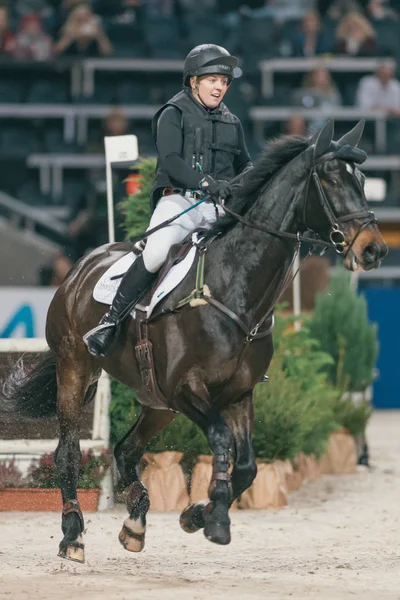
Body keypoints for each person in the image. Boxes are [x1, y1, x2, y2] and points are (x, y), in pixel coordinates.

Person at [83, 43, 253, 357]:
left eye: (224, 82)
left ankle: (246, 342)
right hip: (179, 204)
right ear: (194, 81)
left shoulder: (233, 122)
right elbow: (171, 161)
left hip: (217, 209)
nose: (220, 87)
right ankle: (110, 321)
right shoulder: (172, 113)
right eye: (213, 79)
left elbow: (245, 163)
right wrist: (206, 182)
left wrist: (250, 178)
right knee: (157, 251)